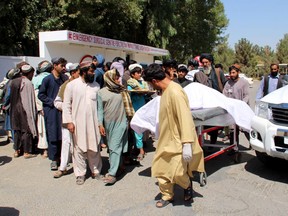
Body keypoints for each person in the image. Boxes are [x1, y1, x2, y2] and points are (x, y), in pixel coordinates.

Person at [142, 63, 204, 208]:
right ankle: (167, 195)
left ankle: (187, 185)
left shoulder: (175, 92)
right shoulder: (164, 91)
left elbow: (185, 118)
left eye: (151, 84)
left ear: (155, 81)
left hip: (178, 140)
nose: (151, 87)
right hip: (165, 138)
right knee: (160, 169)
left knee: (177, 172)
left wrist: (187, 143)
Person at [62, 61, 102, 185]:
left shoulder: (96, 86)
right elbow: (66, 105)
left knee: (94, 147)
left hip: (93, 123)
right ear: (83, 71)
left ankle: (96, 171)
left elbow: (99, 107)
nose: (93, 73)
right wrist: (69, 122)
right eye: (91, 71)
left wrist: (100, 123)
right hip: (77, 123)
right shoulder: (72, 85)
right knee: (78, 148)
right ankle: (80, 173)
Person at [97, 69, 134, 184]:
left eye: (118, 77)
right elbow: (99, 110)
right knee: (115, 147)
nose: (118, 80)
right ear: (109, 79)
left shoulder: (123, 91)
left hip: (121, 122)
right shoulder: (101, 92)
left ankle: (112, 174)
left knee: (114, 146)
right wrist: (100, 124)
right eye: (116, 77)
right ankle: (120, 167)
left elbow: (128, 108)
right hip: (108, 124)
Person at [38, 57, 68, 170]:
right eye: (62, 66)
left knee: (62, 135)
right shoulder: (47, 80)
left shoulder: (64, 79)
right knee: (53, 134)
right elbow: (41, 95)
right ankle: (54, 159)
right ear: (54, 65)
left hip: (62, 110)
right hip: (51, 111)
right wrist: (52, 102)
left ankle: (62, 158)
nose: (64, 68)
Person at [53, 63, 80, 178]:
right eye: (79, 73)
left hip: (81, 119)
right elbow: (57, 102)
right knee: (66, 142)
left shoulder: (85, 84)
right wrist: (68, 106)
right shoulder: (65, 85)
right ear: (73, 73)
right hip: (68, 119)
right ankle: (63, 168)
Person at [10, 65, 38, 158]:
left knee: (17, 130)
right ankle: (26, 152)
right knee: (26, 130)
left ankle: (16, 151)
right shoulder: (28, 83)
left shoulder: (13, 82)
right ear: (29, 73)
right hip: (24, 110)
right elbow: (28, 101)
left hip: (14, 109)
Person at [223, 64, 250, 144]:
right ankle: (234, 148)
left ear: (238, 72)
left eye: (233, 73)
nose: (231, 75)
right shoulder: (228, 83)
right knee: (233, 130)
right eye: (230, 73)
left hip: (242, 110)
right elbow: (224, 94)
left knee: (245, 129)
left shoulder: (244, 82)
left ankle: (253, 144)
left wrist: (241, 105)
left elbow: (247, 96)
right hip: (232, 111)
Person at [127, 64, 148, 161]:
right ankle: (141, 150)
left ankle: (138, 148)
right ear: (132, 74)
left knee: (140, 129)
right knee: (136, 130)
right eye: (137, 73)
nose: (139, 74)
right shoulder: (130, 84)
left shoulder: (142, 83)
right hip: (135, 110)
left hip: (142, 109)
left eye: (140, 72)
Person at [32, 60, 52, 158]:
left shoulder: (35, 79)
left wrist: (39, 108)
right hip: (50, 107)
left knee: (42, 129)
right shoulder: (50, 78)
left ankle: (45, 150)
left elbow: (36, 96)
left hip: (40, 108)